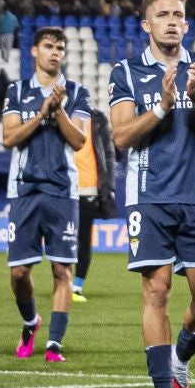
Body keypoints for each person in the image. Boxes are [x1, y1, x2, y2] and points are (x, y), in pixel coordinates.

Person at [107, 0, 195, 388]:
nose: (173, 21)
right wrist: (161, 107)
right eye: (163, 14)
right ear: (147, 24)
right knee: (156, 291)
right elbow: (120, 136)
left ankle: (180, 360)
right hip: (149, 197)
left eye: (178, 14)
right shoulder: (125, 72)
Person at [2, 27, 92, 361]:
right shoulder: (16, 91)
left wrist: (58, 111)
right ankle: (30, 321)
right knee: (19, 273)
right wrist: (42, 112)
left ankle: (54, 343)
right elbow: (9, 138)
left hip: (62, 191)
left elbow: (79, 140)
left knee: (61, 270)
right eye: (49, 47)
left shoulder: (78, 93)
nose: (55, 53)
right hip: (24, 189)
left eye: (60, 48)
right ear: (35, 52)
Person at [70, 108, 115, 305]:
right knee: (61, 239)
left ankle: (77, 286)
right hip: (64, 189)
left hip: (88, 188)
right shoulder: (60, 116)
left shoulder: (97, 120)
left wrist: (108, 187)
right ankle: (63, 283)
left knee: (84, 239)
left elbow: (108, 153)